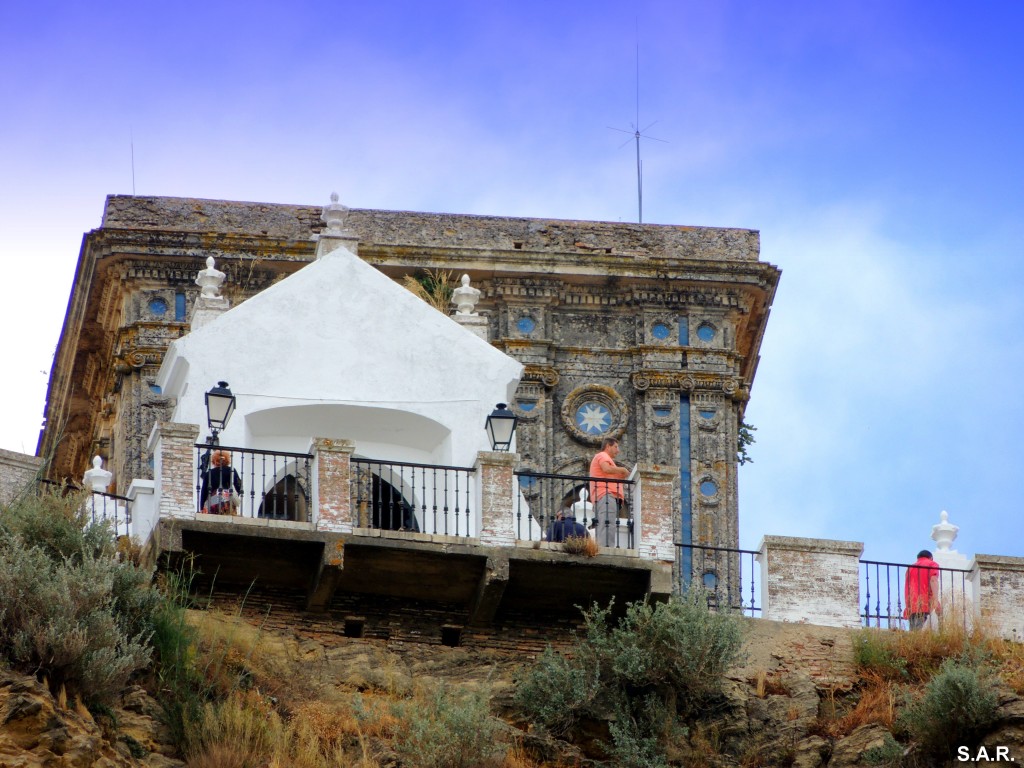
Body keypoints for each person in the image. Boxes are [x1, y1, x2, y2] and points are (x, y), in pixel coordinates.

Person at [589, 437, 629, 546]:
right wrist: (623, 470)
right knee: (608, 523)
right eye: (615, 447)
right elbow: (606, 468)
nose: (618, 450)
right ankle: (607, 548)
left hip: (604, 497)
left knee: (604, 523)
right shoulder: (602, 455)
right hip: (606, 496)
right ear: (608, 446)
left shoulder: (607, 459)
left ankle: (602, 546)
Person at [904, 549, 942, 630]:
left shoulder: (909, 569)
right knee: (924, 635)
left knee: (914, 635)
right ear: (931, 557)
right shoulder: (932, 564)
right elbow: (933, 580)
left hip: (911, 606)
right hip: (925, 604)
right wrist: (935, 601)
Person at [200, 449, 242, 514]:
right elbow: (239, 486)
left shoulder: (209, 473)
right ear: (227, 460)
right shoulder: (232, 470)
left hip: (213, 503)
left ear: (214, 461)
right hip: (228, 503)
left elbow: (204, 492)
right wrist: (233, 495)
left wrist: (202, 507)